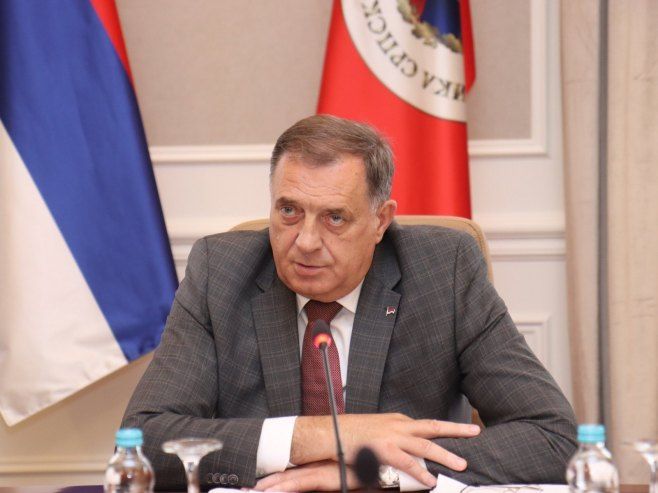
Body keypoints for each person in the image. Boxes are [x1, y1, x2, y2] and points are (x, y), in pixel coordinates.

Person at [122, 115, 577, 491]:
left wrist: (373, 471)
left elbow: (554, 438)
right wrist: (320, 437)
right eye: (289, 211)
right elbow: (143, 441)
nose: (305, 241)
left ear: (381, 221)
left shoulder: (444, 271)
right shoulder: (221, 272)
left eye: (335, 218)